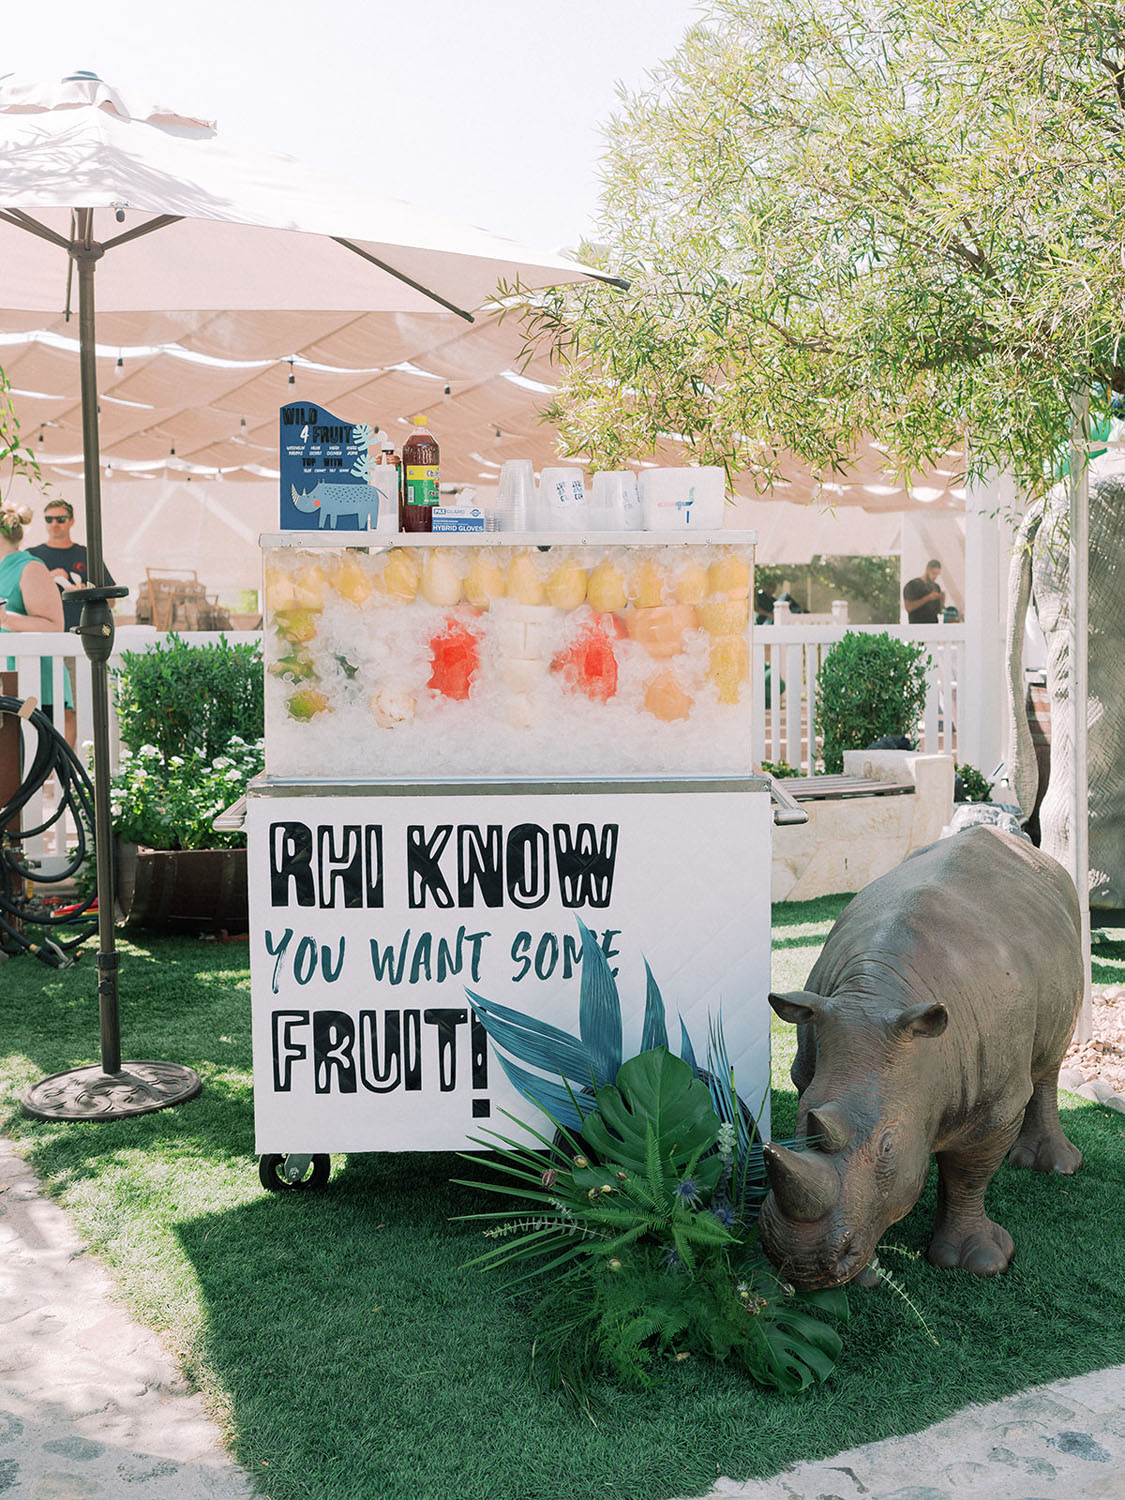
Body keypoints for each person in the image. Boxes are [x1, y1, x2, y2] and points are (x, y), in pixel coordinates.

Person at [0, 503, 67, 724]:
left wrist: (7, 619)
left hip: (36, 688)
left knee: (37, 756)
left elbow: (54, 626)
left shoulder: (30, 568)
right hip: (7, 686)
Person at [28, 498, 115, 631]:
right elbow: (16, 597)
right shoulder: (31, 555)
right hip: (43, 634)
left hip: (82, 631)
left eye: (60, 519)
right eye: (49, 519)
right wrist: (47, 577)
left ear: (71, 521)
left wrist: (90, 595)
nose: (54, 524)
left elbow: (111, 600)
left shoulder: (87, 555)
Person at [903, 558, 945, 623]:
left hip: (933, 627)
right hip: (917, 627)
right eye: (933, 573)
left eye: (937, 574)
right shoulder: (912, 585)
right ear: (927, 570)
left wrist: (942, 600)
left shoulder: (936, 587)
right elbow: (908, 608)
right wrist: (928, 598)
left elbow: (940, 612)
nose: (935, 577)